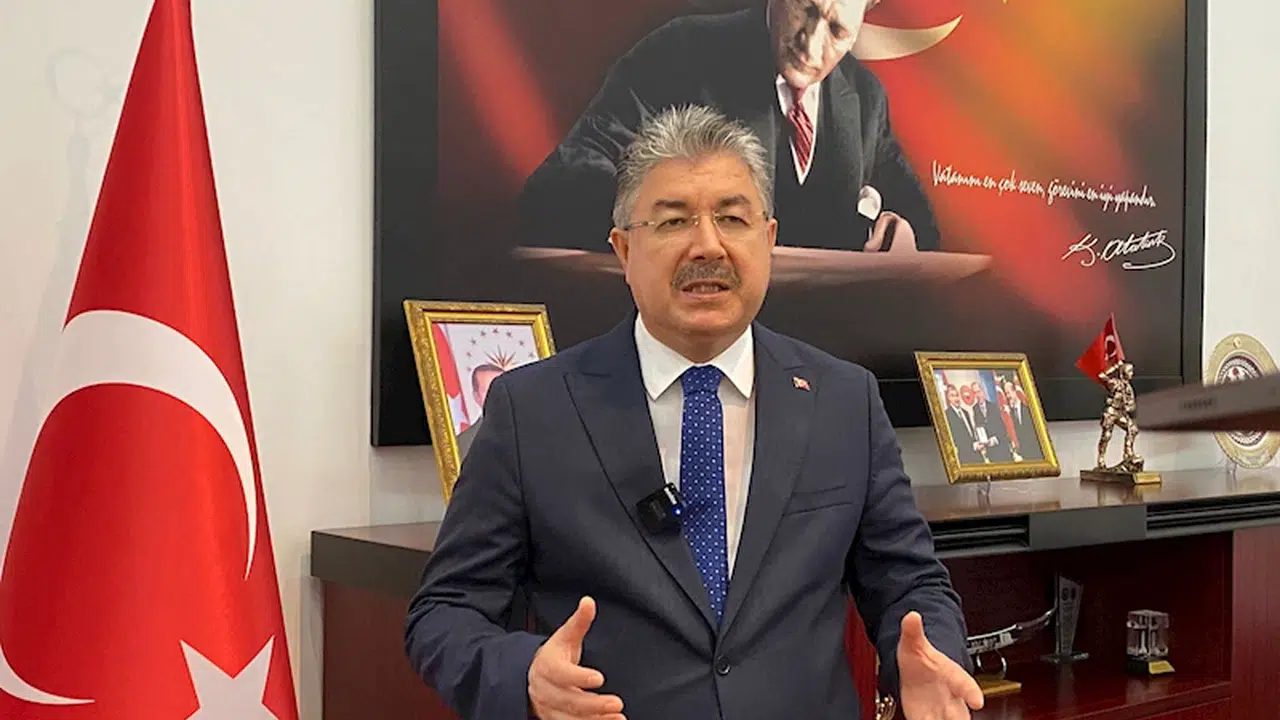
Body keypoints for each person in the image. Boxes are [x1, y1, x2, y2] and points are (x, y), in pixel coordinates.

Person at [405, 105, 980, 720]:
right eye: (674, 220)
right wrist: (523, 676)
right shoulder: (532, 411)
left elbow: (911, 583)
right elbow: (446, 611)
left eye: (732, 218)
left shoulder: (845, 402)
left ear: (769, 240)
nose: (707, 245)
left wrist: (931, 655)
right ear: (624, 250)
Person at [518, 0, 940, 255]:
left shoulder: (865, 97)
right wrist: (676, 223)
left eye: (836, 30)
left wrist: (902, 233)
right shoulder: (682, 50)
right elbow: (562, 183)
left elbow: (921, 225)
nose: (811, 45)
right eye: (806, 9)